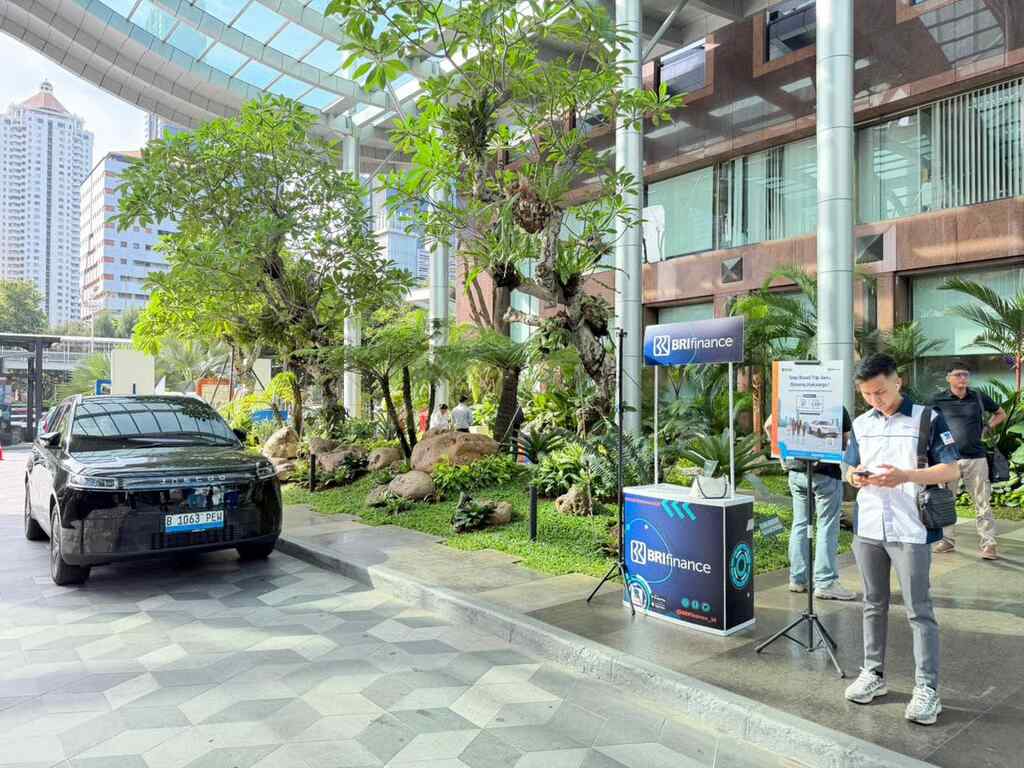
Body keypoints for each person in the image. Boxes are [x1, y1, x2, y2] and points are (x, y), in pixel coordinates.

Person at [843, 353, 960, 726]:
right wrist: (854, 476)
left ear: (898, 381)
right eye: (866, 394)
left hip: (911, 529)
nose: (874, 400)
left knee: (918, 610)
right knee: (872, 603)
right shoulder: (861, 423)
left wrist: (905, 476)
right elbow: (849, 466)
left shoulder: (927, 418)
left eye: (879, 391)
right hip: (869, 528)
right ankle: (873, 673)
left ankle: (927, 688)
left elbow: (951, 469)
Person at [764, 410, 857, 601]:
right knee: (827, 526)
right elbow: (847, 440)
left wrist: (782, 456)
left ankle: (798, 579)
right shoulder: (833, 403)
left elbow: (768, 425)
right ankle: (825, 583)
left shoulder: (790, 399)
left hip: (796, 472)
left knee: (800, 523)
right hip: (825, 473)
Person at [929, 360, 1006, 560]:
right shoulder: (937, 399)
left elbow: (1000, 414)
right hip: (948, 460)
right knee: (946, 502)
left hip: (976, 458)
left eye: (965, 374)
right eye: (958, 375)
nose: (962, 378)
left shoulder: (978, 397)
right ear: (948, 378)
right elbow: (926, 423)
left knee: (982, 502)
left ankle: (989, 544)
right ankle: (947, 541)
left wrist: (986, 428)